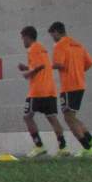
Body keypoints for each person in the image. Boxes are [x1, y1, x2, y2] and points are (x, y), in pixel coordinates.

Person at [48, 21, 92, 156]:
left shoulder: (60, 45)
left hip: (68, 87)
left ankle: (87, 148)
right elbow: (89, 64)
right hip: (80, 85)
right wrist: (77, 70)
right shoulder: (78, 44)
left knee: (68, 118)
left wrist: (47, 66)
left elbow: (59, 64)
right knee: (72, 116)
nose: (52, 38)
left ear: (56, 32)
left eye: (52, 35)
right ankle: (91, 140)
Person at [18, 26, 67, 158]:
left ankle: (39, 146)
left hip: (38, 90)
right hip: (50, 89)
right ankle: (63, 147)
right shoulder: (42, 48)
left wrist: (27, 73)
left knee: (27, 117)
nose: (22, 41)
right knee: (52, 117)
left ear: (27, 37)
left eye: (22, 38)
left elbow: (38, 68)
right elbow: (41, 66)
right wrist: (26, 67)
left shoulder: (32, 49)